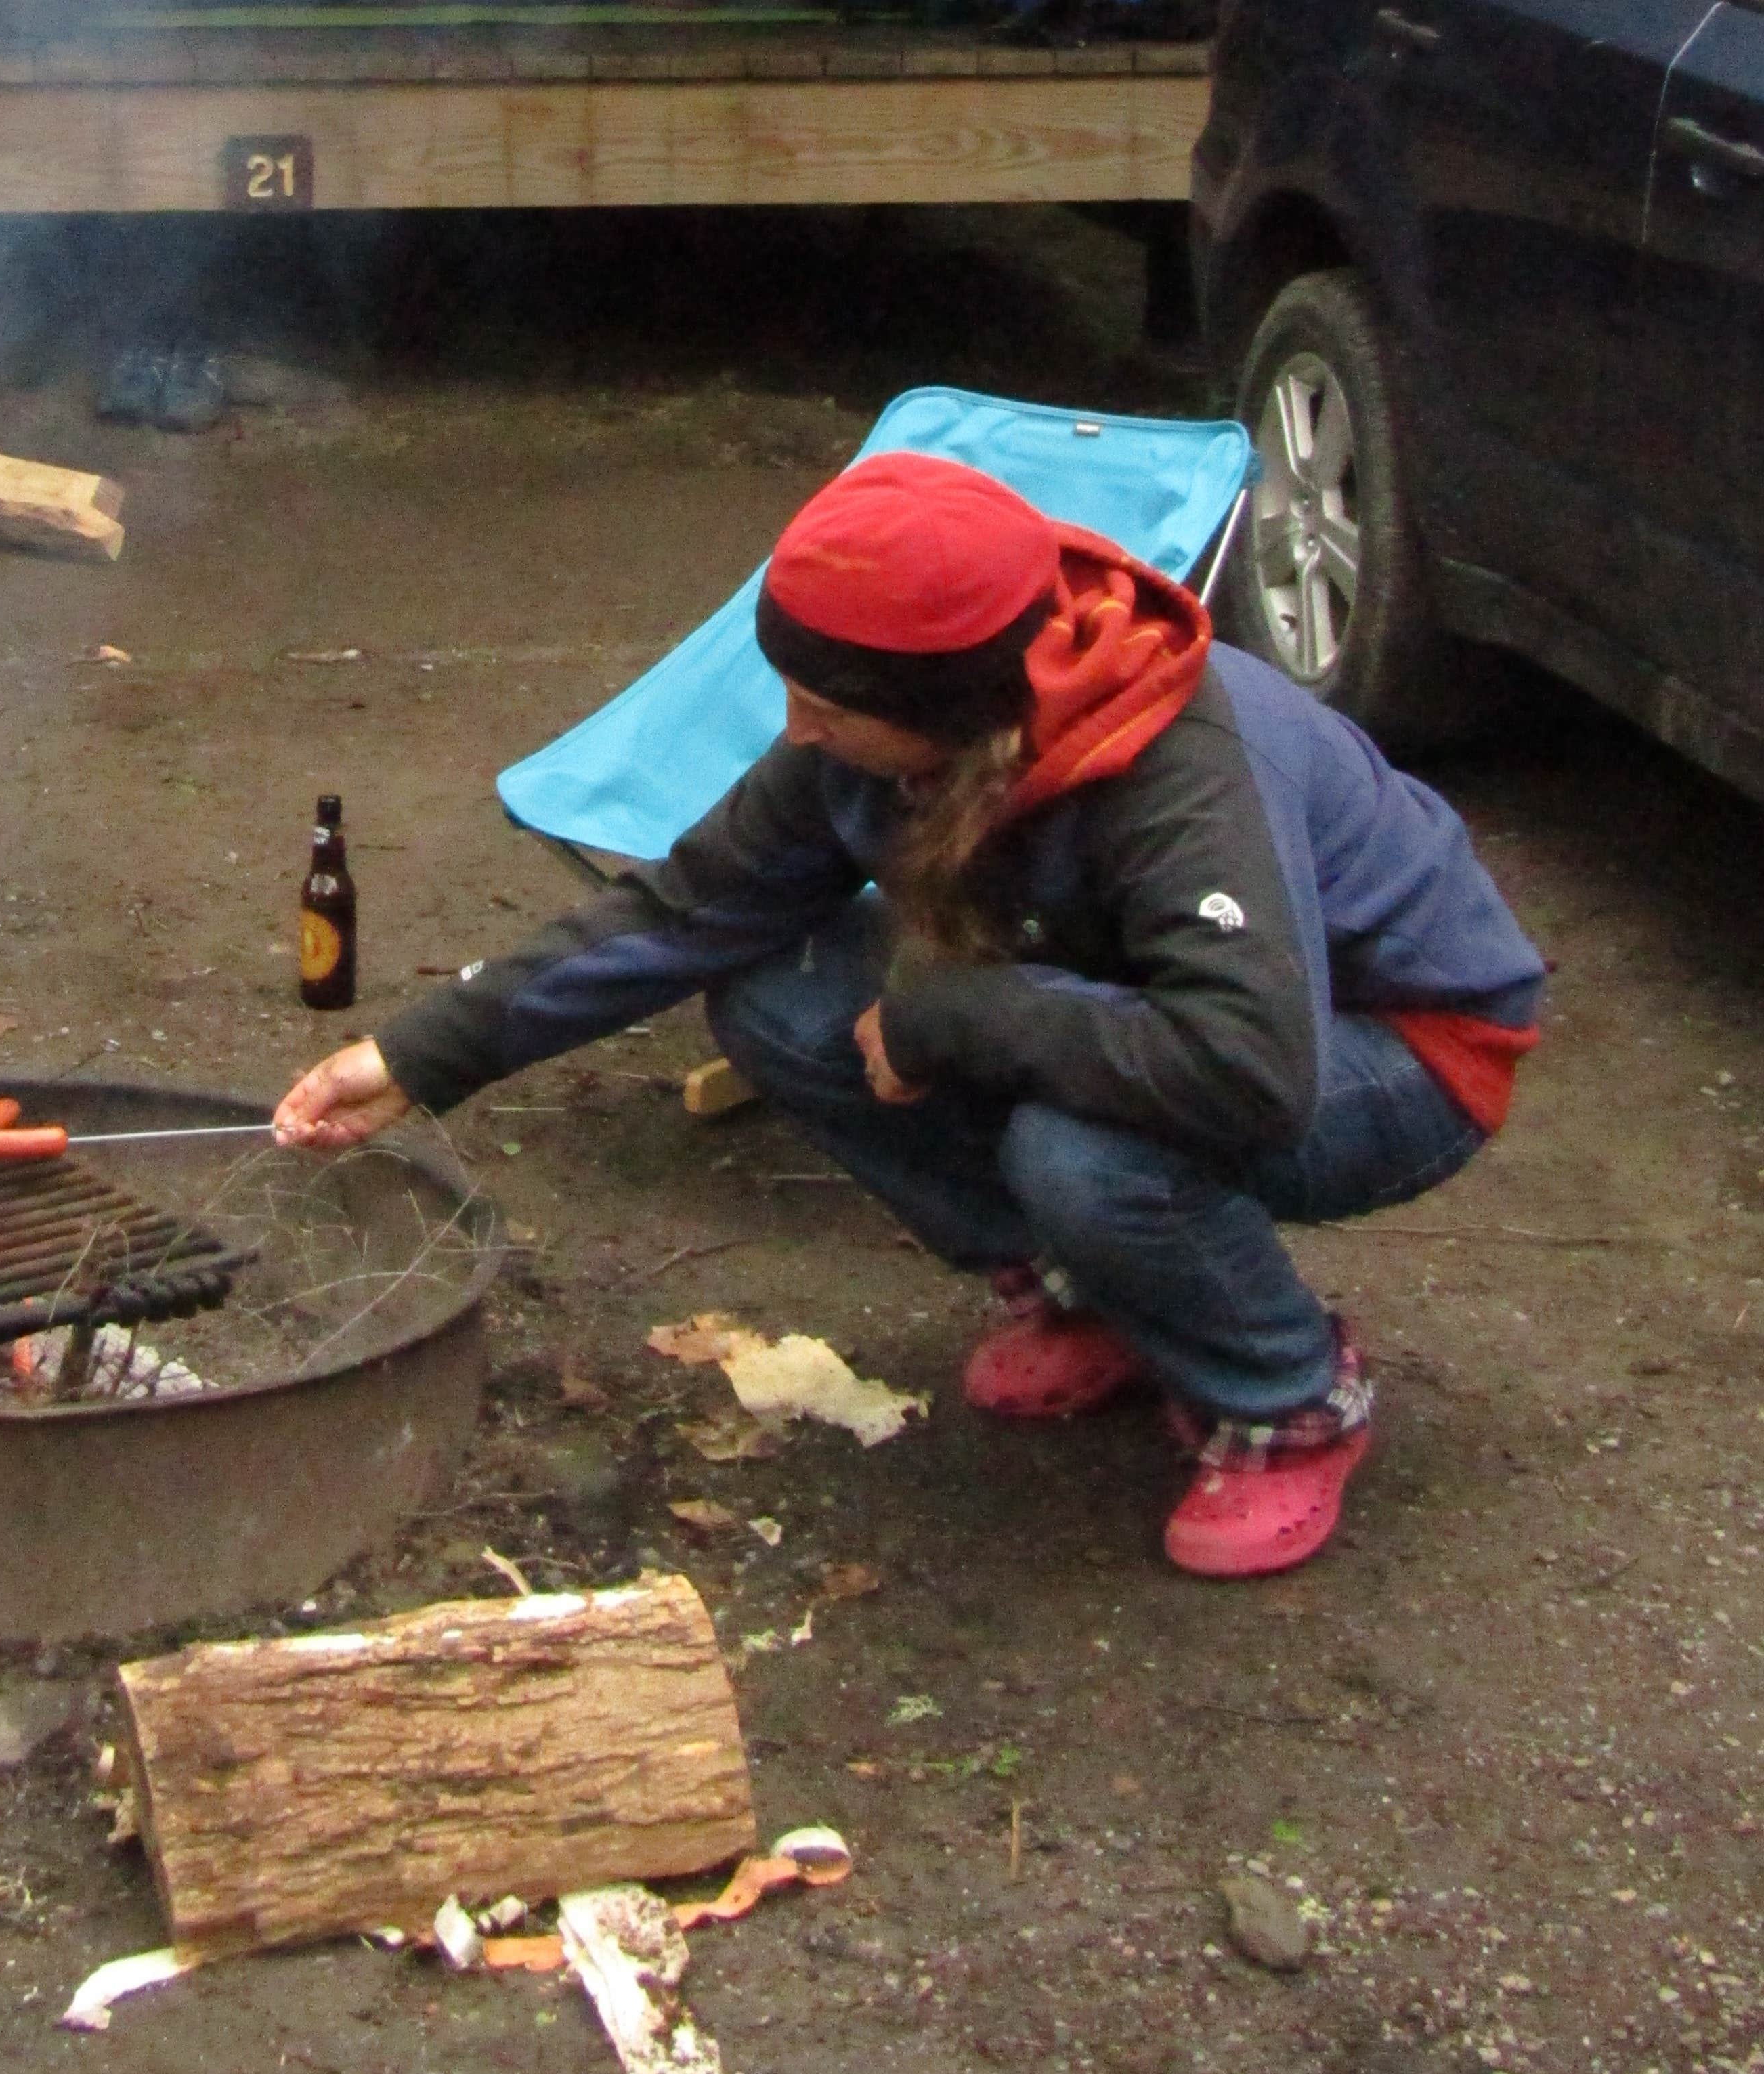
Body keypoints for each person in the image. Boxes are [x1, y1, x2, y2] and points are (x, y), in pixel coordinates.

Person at [274, 450, 1545, 1580]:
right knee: (781, 994)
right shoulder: (885, 732)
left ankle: (1288, 1396)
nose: (797, 729)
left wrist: (953, 1014)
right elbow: (689, 909)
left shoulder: (1182, 767)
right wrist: (424, 1051)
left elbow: (1250, 1065)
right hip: (1113, 998)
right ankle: (1088, 1294)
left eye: (829, 708)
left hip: (1395, 1048)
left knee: (1088, 1153)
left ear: (951, 712)